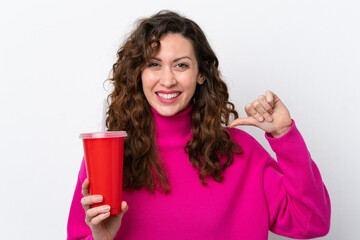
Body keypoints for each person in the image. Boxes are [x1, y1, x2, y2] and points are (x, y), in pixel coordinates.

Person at [67, 10, 331, 240]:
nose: (167, 80)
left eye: (181, 65)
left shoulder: (240, 151)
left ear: (201, 74)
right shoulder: (108, 155)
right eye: (154, 64)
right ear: (139, 73)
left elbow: (311, 222)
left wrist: (285, 135)